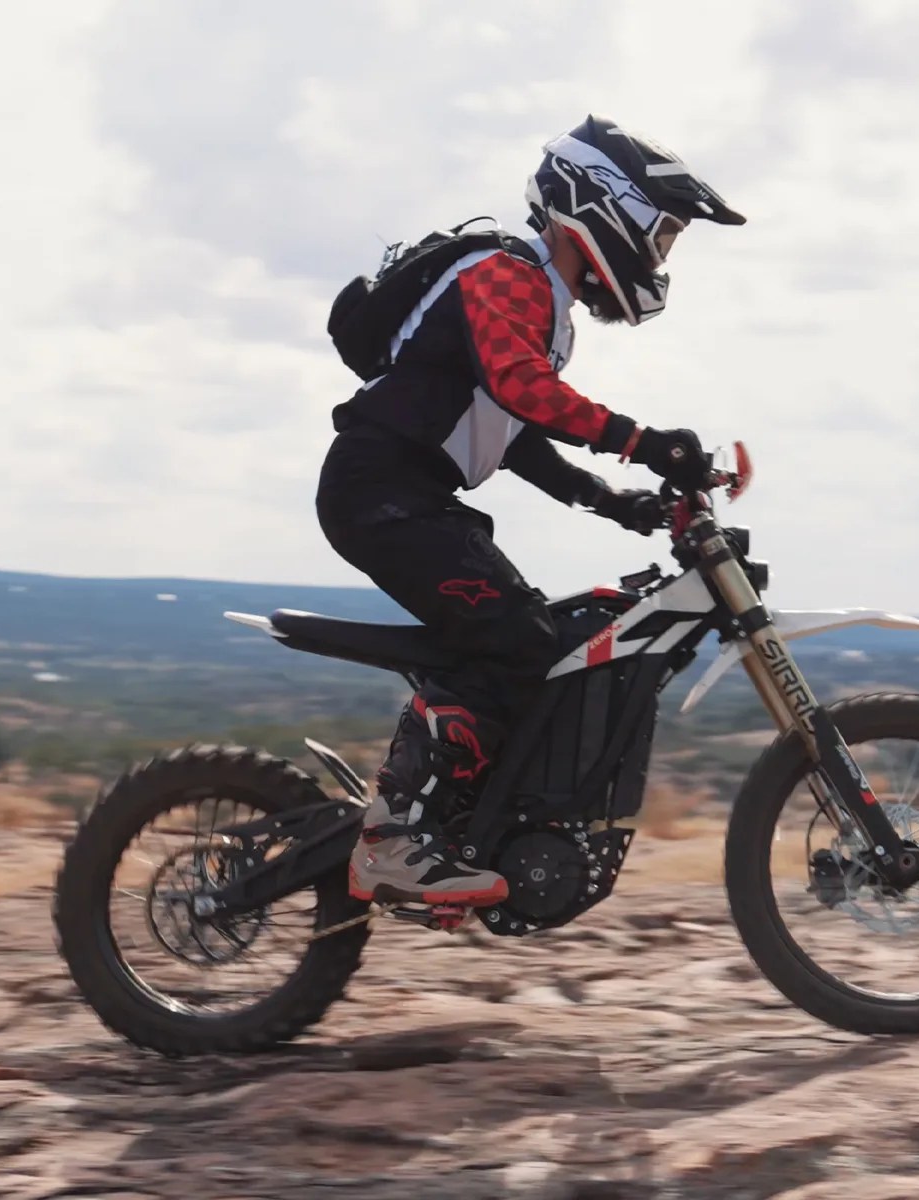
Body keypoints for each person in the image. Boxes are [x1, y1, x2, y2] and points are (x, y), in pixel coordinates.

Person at [315, 114, 746, 907]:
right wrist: (646, 442)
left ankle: (452, 824)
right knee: (513, 640)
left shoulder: (540, 303)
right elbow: (522, 392)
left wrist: (612, 502)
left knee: (539, 639)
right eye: (662, 235)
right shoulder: (505, 272)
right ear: (604, 206)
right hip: (382, 494)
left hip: (408, 497)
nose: (660, 257)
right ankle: (390, 841)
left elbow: (511, 435)